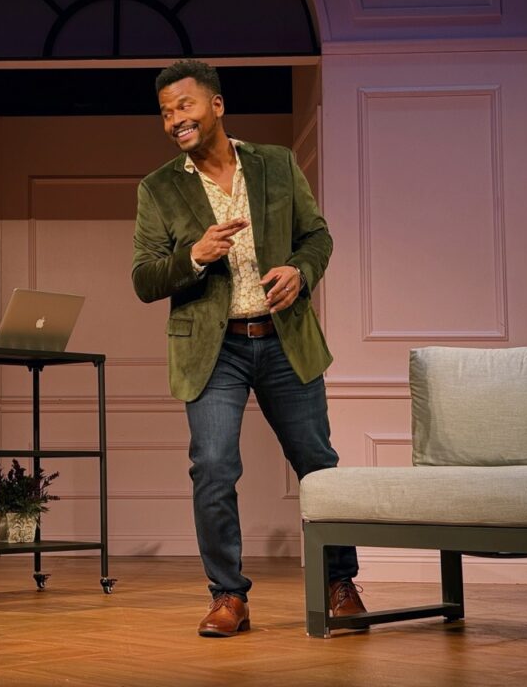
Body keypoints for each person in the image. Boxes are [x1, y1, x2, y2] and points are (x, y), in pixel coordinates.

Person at [132, 60, 364, 637]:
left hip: (284, 338)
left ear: (216, 105)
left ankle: (340, 582)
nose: (174, 120)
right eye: (165, 112)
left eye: (184, 106)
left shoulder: (276, 164)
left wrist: (300, 273)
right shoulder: (160, 188)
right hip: (215, 351)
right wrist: (194, 257)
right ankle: (228, 595)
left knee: (318, 464)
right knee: (212, 468)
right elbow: (143, 278)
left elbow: (318, 235)